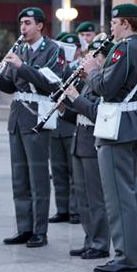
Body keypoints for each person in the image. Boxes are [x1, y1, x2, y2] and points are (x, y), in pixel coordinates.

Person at [78, 3, 137, 272]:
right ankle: (129, 254)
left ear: (125, 23)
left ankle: (127, 258)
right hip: (133, 123)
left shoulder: (123, 49)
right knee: (128, 195)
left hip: (117, 128)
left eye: (114, 23)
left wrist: (92, 70)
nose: (110, 27)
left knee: (118, 197)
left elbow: (105, 88)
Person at [0, 7, 65, 248]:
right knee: (19, 177)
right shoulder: (19, 49)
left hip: (38, 116)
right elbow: (11, 86)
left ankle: (40, 231)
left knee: (38, 177)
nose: (23, 28)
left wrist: (22, 67)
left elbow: (50, 83)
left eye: (28, 23)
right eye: (21, 23)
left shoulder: (54, 50)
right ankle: (24, 227)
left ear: (40, 25)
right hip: (18, 116)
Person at [58, 38, 112, 261]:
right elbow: (79, 113)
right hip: (80, 139)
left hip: (92, 141)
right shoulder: (87, 81)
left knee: (95, 197)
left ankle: (100, 243)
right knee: (82, 196)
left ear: (104, 59)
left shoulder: (105, 82)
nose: (89, 59)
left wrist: (74, 97)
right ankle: (89, 239)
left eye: (94, 55)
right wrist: (62, 108)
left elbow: (94, 112)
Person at [49, 32, 80, 224]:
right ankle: (62, 209)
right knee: (58, 170)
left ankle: (75, 210)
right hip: (55, 125)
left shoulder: (79, 71)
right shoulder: (52, 70)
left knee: (74, 172)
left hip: (71, 125)